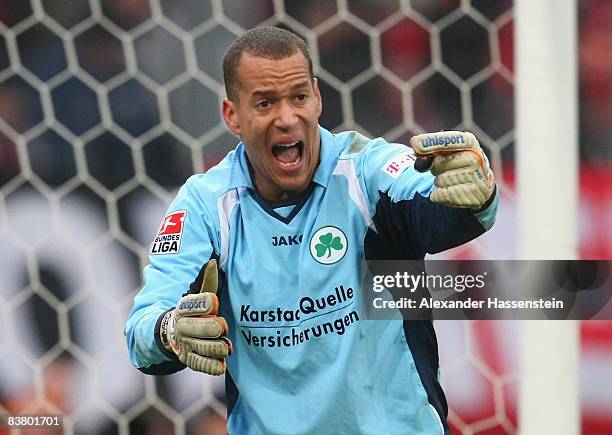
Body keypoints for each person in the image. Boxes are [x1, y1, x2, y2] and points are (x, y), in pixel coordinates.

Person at [125, 26, 498, 434]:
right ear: (233, 115)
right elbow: (145, 329)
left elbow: (438, 207)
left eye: (298, 96)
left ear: (317, 97)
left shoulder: (365, 171)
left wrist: (476, 192)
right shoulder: (206, 205)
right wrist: (172, 330)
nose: (288, 118)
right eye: (266, 102)